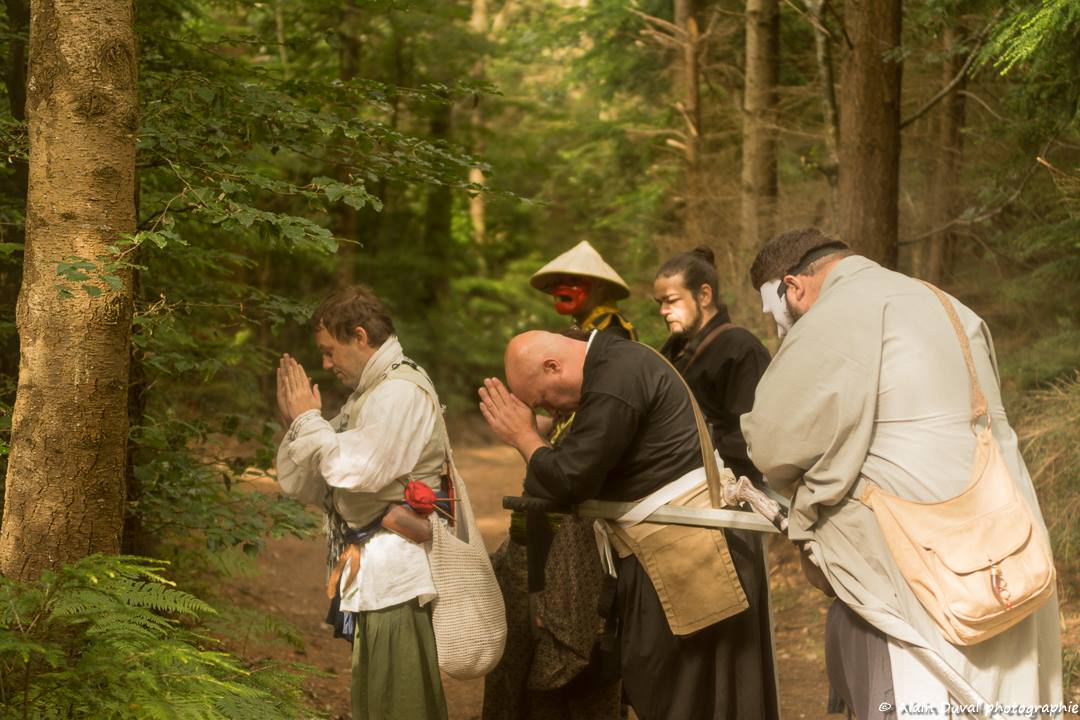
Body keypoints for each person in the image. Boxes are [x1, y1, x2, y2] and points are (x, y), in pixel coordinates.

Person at [741, 228, 1062, 718]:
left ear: (793, 287)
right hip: (1012, 550)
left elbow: (772, 442)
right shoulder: (950, 305)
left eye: (775, 313)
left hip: (923, 573)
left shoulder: (833, 315)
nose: (781, 330)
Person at [479, 330, 751, 720]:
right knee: (656, 682)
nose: (551, 411)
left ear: (553, 367)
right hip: (660, 548)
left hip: (681, 552)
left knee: (676, 689)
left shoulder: (614, 378)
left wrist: (524, 436)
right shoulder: (612, 367)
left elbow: (570, 480)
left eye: (543, 400)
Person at [275, 286, 449, 720]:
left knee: (400, 701)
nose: (326, 364)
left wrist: (308, 421)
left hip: (397, 571)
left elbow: (355, 469)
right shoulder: (374, 391)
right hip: (379, 569)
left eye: (330, 352)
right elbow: (313, 479)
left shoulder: (398, 392)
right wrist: (299, 423)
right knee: (380, 697)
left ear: (359, 336)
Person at [482, 242, 635, 720]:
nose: (561, 292)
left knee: (573, 657)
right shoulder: (580, 338)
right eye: (555, 286)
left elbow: (582, 460)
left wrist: (529, 438)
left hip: (576, 526)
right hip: (551, 510)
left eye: (571, 285)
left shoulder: (611, 342)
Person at [653, 245, 780, 720]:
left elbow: (758, 435)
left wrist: (701, 437)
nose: (663, 311)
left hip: (731, 511)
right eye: (660, 303)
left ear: (704, 295)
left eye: (671, 300)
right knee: (687, 640)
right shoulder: (669, 353)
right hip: (679, 514)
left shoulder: (741, 348)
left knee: (733, 642)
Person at [530, 240, 636, 339]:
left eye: (574, 281)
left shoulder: (613, 328)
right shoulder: (583, 325)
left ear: (600, 286)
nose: (562, 287)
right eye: (559, 282)